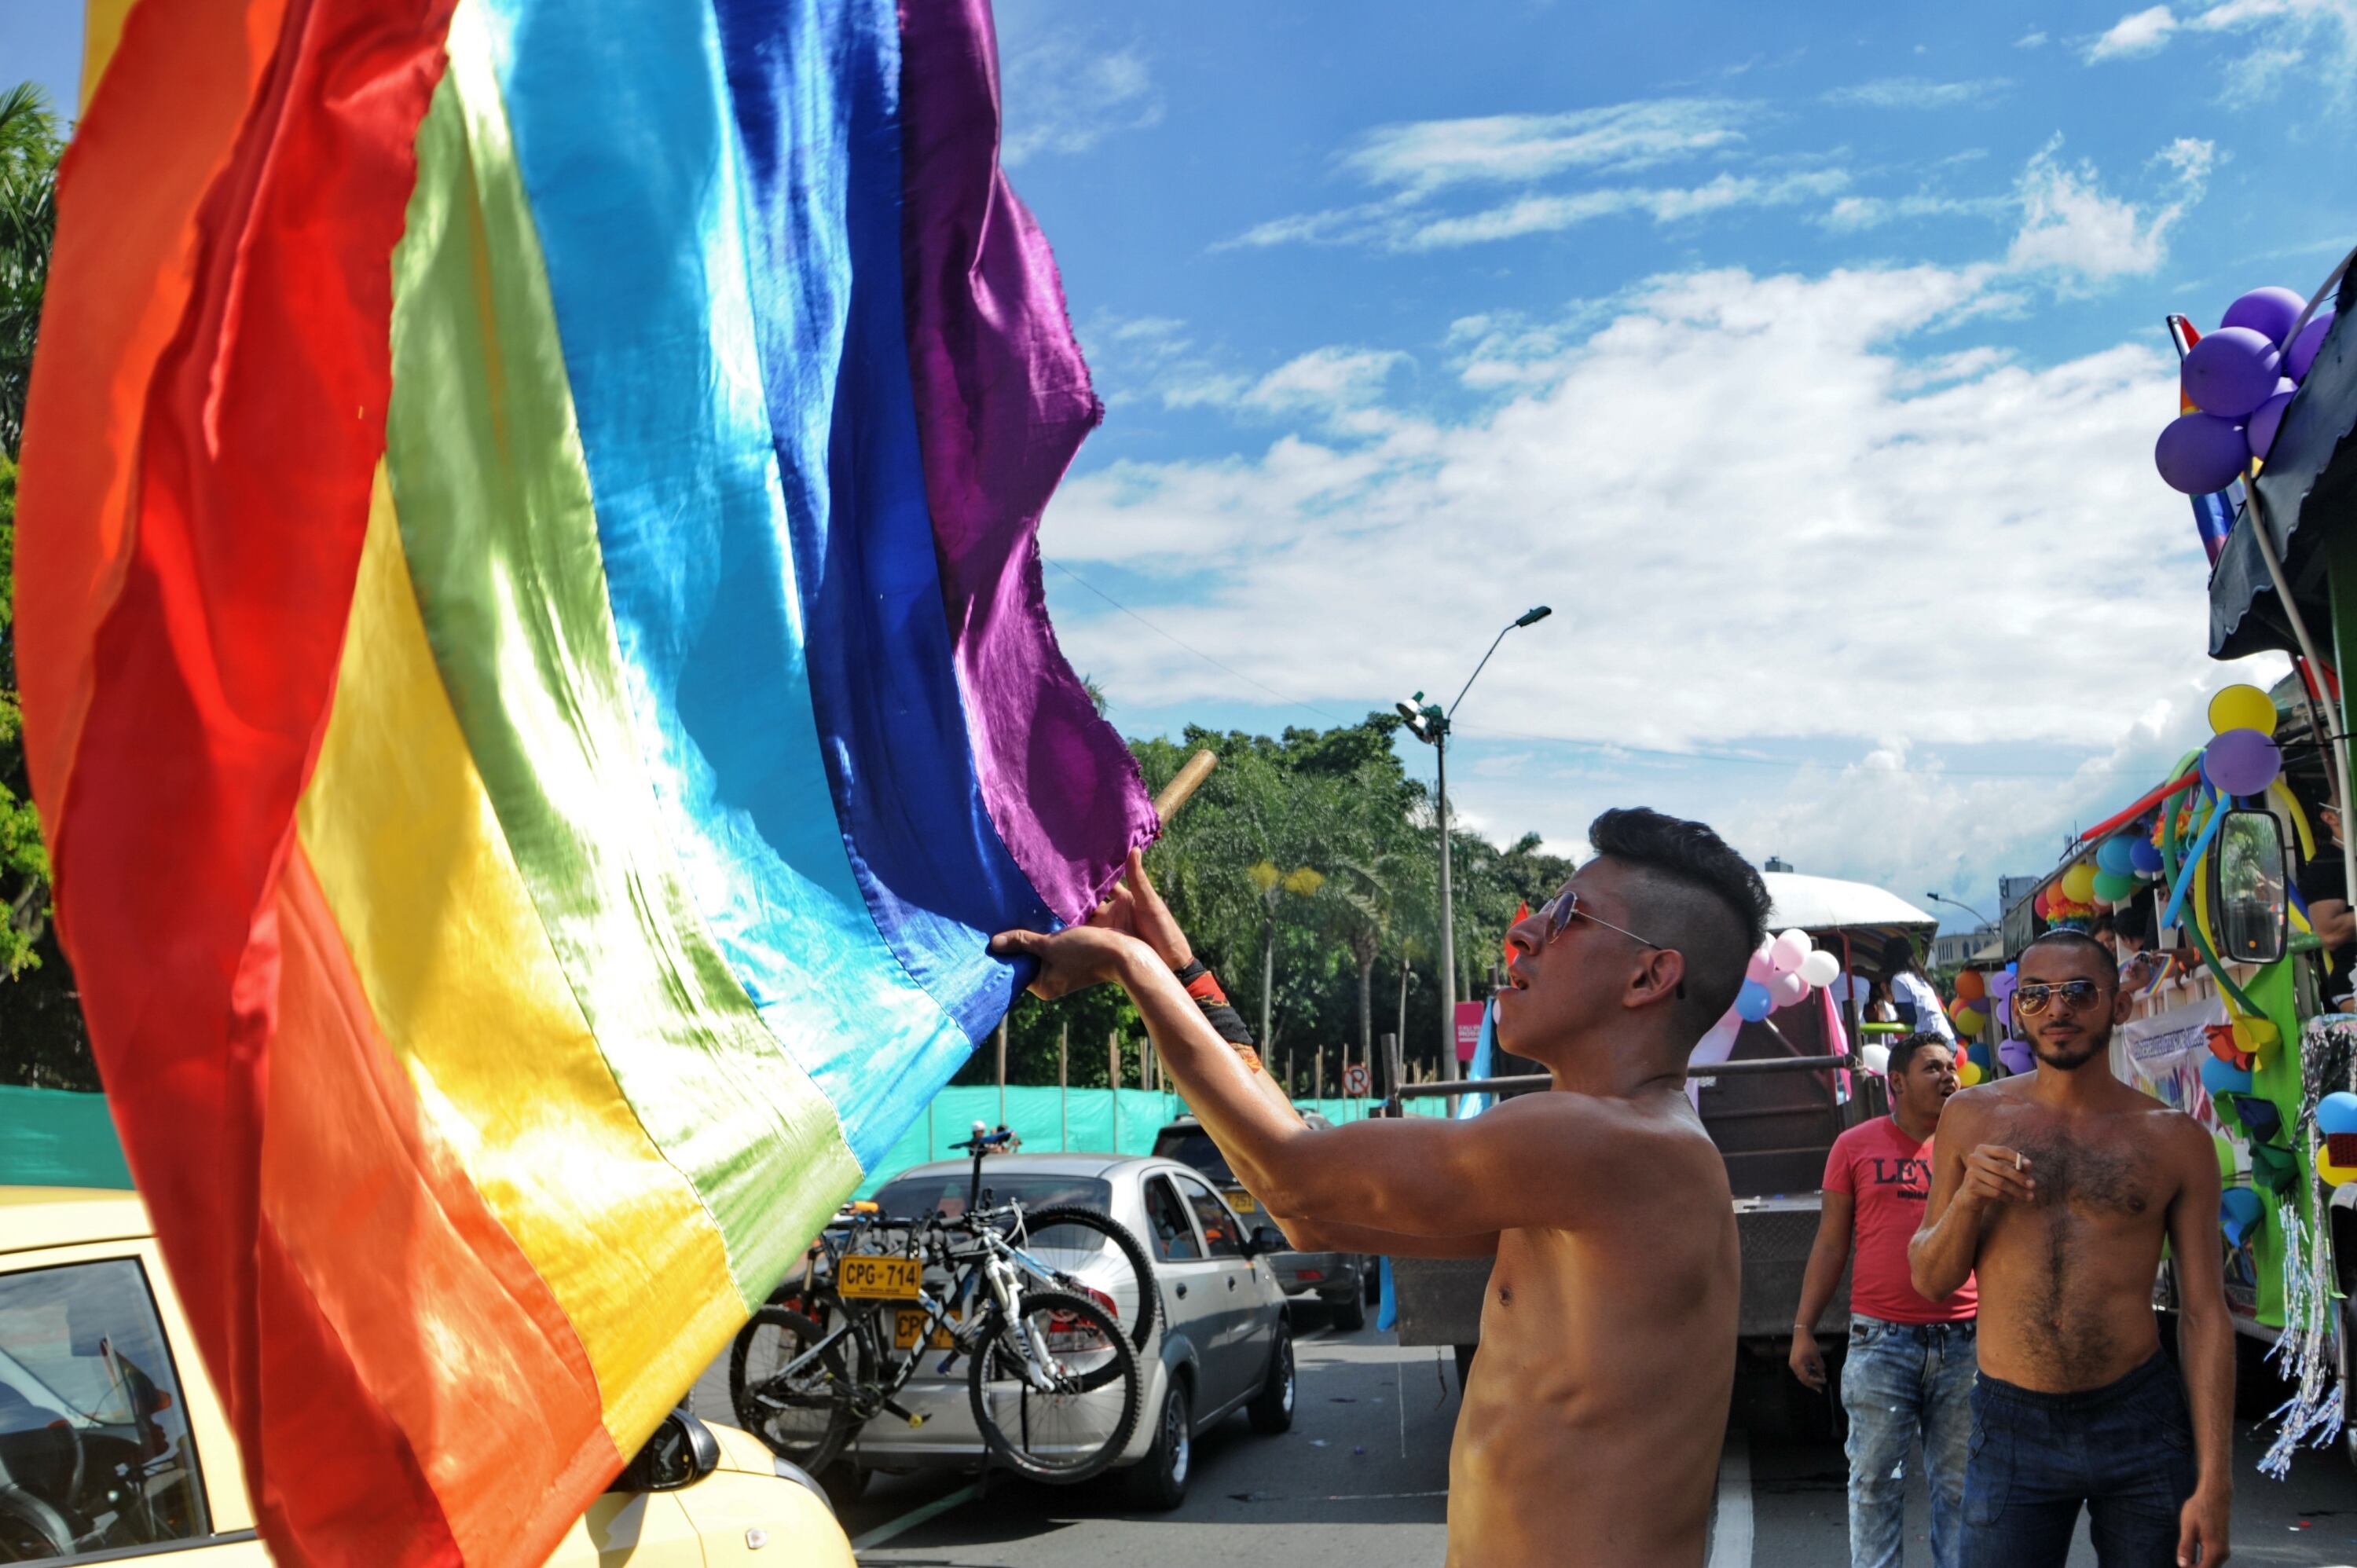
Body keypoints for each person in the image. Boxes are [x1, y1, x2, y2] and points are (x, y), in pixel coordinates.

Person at [994, 808, 1769, 1568]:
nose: (1525, 932)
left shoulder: (1618, 1146)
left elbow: (1294, 1180)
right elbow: (1310, 1210)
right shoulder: (1591, 1162)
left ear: (1648, 973)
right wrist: (1182, 968)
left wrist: (1133, 968)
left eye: (1570, 916)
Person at [1908, 929, 2232, 1568]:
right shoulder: (1971, 1118)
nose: (2058, 1010)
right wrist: (1971, 1197)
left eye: (2080, 992)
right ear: (2018, 1010)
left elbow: (2204, 1313)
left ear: (2118, 1005)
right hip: (2011, 1424)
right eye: (2036, 995)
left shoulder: (2175, 1141)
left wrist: (2215, 1480)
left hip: (2138, 1418)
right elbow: (1930, 1279)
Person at [1791, 1032, 1977, 1568]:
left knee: (1963, 1490)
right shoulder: (1854, 1146)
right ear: (1896, 1082)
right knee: (1874, 1484)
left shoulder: (1972, 1145)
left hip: (1967, 1341)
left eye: (1951, 1067)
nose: (1948, 1077)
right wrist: (1804, 1328)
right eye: (1932, 1069)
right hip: (1881, 1343)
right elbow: (1830, 1243)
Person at [1879, 939, 1955, 1044]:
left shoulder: (1899, 979)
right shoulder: (1920, 978)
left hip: (1932, 1041)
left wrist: (1885, 1025)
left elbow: (1910, 1016)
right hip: (1947, 1038)